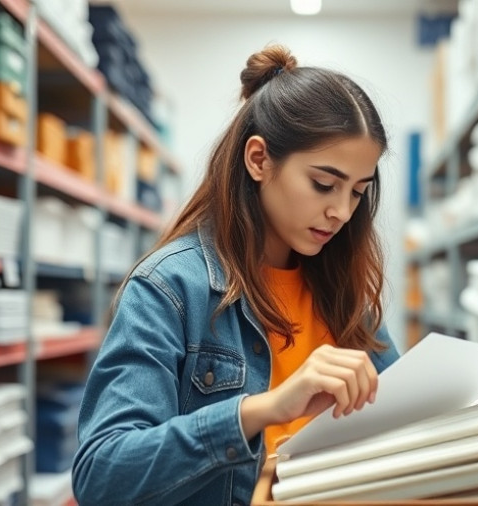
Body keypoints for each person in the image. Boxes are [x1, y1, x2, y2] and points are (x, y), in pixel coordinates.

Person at [71, 44, 400, 506]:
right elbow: (101, 474)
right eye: (324, 184)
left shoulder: (344, 290)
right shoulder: (171, 288)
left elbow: (405, 414)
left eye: (357, 192)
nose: (341, 211)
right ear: (259, 160)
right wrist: (262, 410)